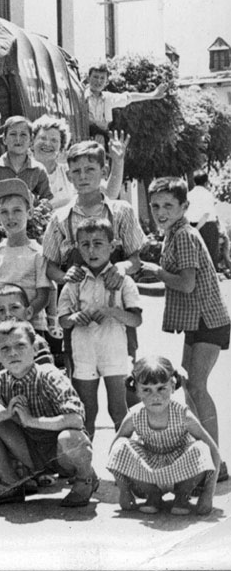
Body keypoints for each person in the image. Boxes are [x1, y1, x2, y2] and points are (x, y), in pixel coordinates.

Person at [139, 177, 230, 481]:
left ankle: (216, 462)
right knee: (190, 384)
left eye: (168, 205)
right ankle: (207, 454)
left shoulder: (184, 236)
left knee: (197, 386)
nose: (160, 211)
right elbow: (174, 290)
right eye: (155, 206)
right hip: (197, 321)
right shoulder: (173, 234)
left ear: (184, 207)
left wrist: (155, 271)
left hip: (208, 319)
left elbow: (186, 284)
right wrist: (134, 285)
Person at [0, 320, 97, 508]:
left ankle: (86, 478)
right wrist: (5, 414)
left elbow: (75, 419)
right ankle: (11, 484)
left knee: (71, 438)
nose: (13, 353)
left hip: (61, 453)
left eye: (20, 346)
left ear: (34, 350)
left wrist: (31, 420)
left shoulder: (50, 375)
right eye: (5, 348)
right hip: (29, 452)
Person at [42, 140, 147, 374]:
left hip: (116, 307)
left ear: (104, 172)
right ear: (69, 176)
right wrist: (64, 276)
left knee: (123, 376)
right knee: (79, 374)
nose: (83, 176)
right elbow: (49, 266)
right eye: (77, 171)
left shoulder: (121, 211)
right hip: (78, 309)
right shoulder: (59, 218)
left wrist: (121, 268)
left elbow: (135, 258)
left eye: (90, 169)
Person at [58, 218, 142, 438]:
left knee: (118, 408)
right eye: (85, 244)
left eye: (98, 243)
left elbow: (136, 320)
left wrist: (112, 311)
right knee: (87, 410)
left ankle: (126, 461)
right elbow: (63, 320)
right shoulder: (74, 281)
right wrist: (76, 317)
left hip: (114, 350)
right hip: (84, 351)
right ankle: (87, 465)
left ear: (112, 246)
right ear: (77, 247)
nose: (92, 250)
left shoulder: (122, 281)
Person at [106, 356, 221, 516]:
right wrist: (124, 490)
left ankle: (182, 496)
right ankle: (153, 495)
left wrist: (208, 495)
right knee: (121, 446)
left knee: (201, 448)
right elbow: (115, 451)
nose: (155, 396)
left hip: (182, 470)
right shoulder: (135, 415)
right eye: (147, 390)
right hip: (149, 472)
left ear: (173, 386)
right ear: (137, 391)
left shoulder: (182, 414)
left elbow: (213, 450)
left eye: (161, 388)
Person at [0, 178, 50, 335]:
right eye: (4, 212)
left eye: (17, 211)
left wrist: (25, 315)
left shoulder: (38, 253)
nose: (10, 217)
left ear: (30, 213)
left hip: (31, 326)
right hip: (0, 326)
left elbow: (43, 295)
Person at [30, 115, 128, 210]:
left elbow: (109, 193)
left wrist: (118, 162)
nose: (47, 144)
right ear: (32, 142)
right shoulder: (21, 169)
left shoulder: (70, 171)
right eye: (42, 138)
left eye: (54, 140)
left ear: (61, 147)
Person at [0, 116, 52, 222]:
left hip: (26, 229)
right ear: (4, 139)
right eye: (13, 134)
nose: (18, 139)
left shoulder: (38, 170)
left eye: (23, 134)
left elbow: (46, 200)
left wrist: (37, 212)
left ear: (31, 140)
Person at [84, 63, 167, 146]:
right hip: (83, 141)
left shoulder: (108, 98)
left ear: (106, 82)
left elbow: (129, 97)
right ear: (88, 78)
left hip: (103, 142)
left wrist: (152, 95)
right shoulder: (80, 97)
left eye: (102, 78)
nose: (98, 81)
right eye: (95, 77)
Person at [0, 284, 56, 367]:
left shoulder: (36, 342)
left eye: (14, 307)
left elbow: (47, 374)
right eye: (0, 310)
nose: (8, 314)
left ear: (28, 312)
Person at [185, 168, 221, 267]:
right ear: (206, 182)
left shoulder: (188, 195)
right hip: (207, 227)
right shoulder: (207, 194)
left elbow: (186, 213)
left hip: (192, 225)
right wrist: (197, 229)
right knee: (210, 256)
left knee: (197, 257)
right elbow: (206, 214)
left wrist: (193, 229)